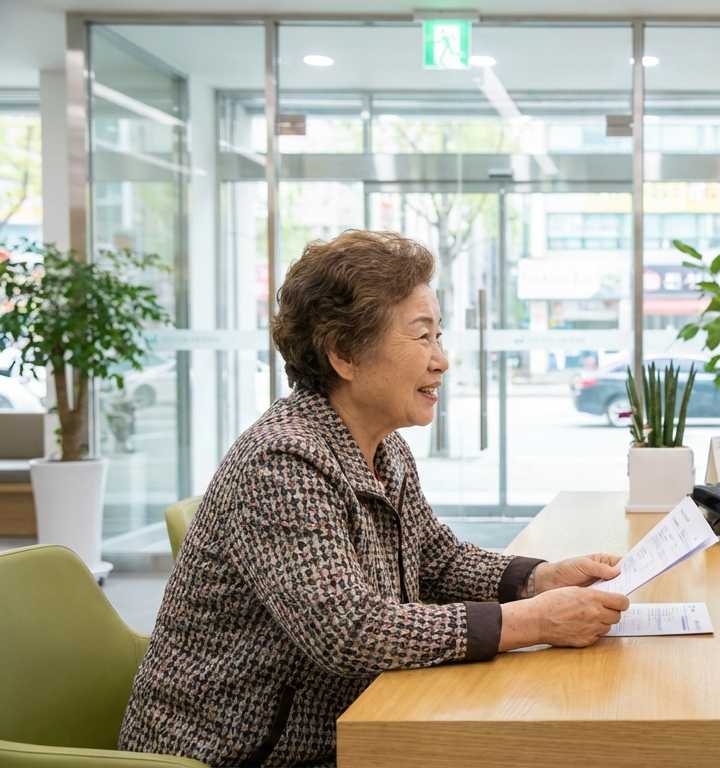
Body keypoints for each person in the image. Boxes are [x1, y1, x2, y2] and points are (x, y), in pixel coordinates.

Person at [120, 231, 629, 767]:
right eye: (422, 337)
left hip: (349, 727)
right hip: (237, 754)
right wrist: (532, 621)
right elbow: (348, 630)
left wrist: (537, 579)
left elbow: (437, 560)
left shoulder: (383, 447)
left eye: (439, 335)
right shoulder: (282, 462)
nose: (442, 360)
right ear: (344, 354)